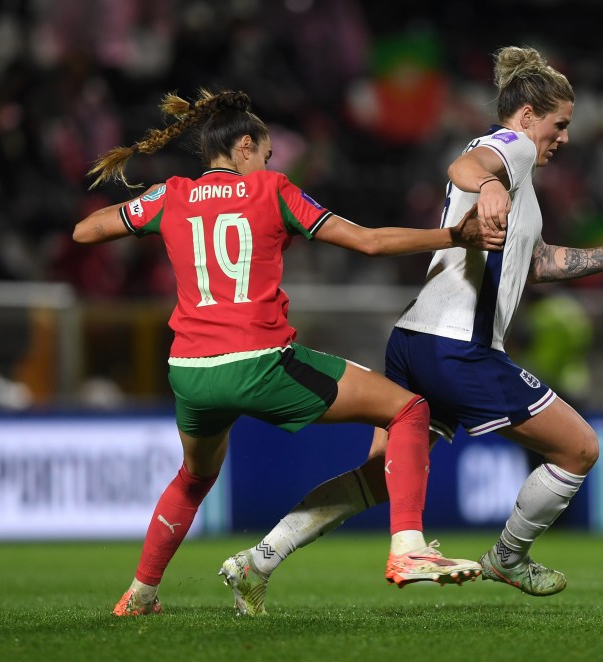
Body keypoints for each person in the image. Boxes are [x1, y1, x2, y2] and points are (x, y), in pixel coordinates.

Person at [233, 46, 603, 614]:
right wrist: (489, 185)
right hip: (456, 347)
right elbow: (465, 166)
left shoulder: (523, 185)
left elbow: (537, 263)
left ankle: (258, 561)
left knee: (377, 478)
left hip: (413, 340)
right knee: (580, 449)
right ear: (526, 117)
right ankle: (509, 557)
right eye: (559, 124)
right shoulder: (510, 148)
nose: (564, 137)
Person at [74, 88, 506, 617]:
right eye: (266, 154)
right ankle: (408, 549)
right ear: (246, 147)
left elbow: (86, 230)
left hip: (191, 372)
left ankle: (139, 595)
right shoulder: (271, 190)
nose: (269, 164)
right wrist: (452, 235)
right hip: (258, 362)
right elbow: (366, 241)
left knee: (193, 478)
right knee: (411, 409)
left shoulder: (171, 195)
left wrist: (152, 209)